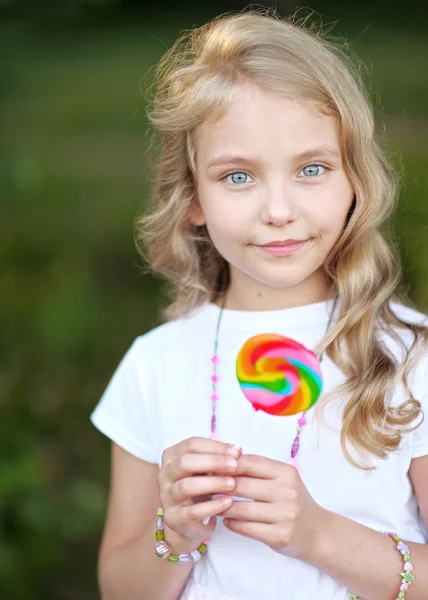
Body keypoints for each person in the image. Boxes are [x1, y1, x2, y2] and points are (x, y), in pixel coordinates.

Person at [90, 10, 428, 600]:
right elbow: (121, 588)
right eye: (238, 176)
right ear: (192, 196)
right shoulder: (157, 364)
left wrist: (318, 534)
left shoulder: (410, 355)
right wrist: (176, 531)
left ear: (357, 181)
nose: (278, 209)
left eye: (313, 169)